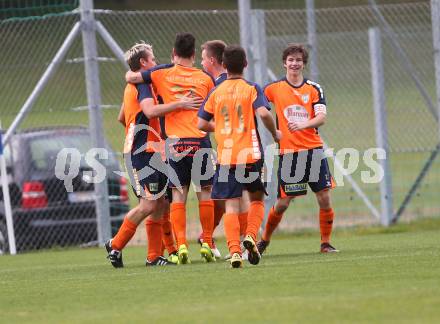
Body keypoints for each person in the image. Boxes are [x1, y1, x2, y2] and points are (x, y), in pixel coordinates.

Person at [105, 42, 200, 267]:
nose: (155, 63)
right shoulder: (141, 86)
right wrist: (181, 103)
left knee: (159, 205)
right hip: (141, 154)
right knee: (149, 205)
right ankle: (115, 245)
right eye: (153, 59)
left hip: (152, 151)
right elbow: (149, 111)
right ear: (143, 63)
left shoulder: (136, 84)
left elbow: (122, 117)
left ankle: (153, 256)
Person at [126, 33, 217, 264]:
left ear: (173, 55)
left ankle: (182, 246)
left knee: (178, 195)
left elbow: (132, 76)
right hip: (201, 142)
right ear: (194, 56)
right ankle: (207, 240)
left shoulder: (160, 74)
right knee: (205, 192)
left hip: (176, 144)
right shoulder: (205, 78)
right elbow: (211, 111)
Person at [198, 45, 281, 268]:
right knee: (257, 199)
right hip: (250, 155)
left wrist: (223, 127)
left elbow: (201, 123)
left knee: (231, 206)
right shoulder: (251, 88)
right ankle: (251, 237)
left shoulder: (216, 91)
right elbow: (263, 113)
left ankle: (234, 251)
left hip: (225, 157)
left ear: (224, 66)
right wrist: (275, 133)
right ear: (245, 64)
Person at [257, 43, 338, 255]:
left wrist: (302, 125)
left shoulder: (314, 88)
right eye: (291, 60)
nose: (294, 63)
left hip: (313, 151)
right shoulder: (273, 88)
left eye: (298, 60)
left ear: (304, 64)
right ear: (284, 63)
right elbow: (258, 104)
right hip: (290, 154)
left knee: (324, 197)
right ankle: (264, 240)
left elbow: (322, 117)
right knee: (283, 202)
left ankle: (325, 243)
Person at [199, 40, 250, 259]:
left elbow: (202, 122)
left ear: (212, 60)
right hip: (234, 150)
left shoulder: (220, 86)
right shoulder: (216, 83)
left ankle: (238, 244)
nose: (200, 62)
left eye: (203, 58)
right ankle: (234, 242)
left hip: (234, 149)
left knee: (235, 198)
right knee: (234, 197)